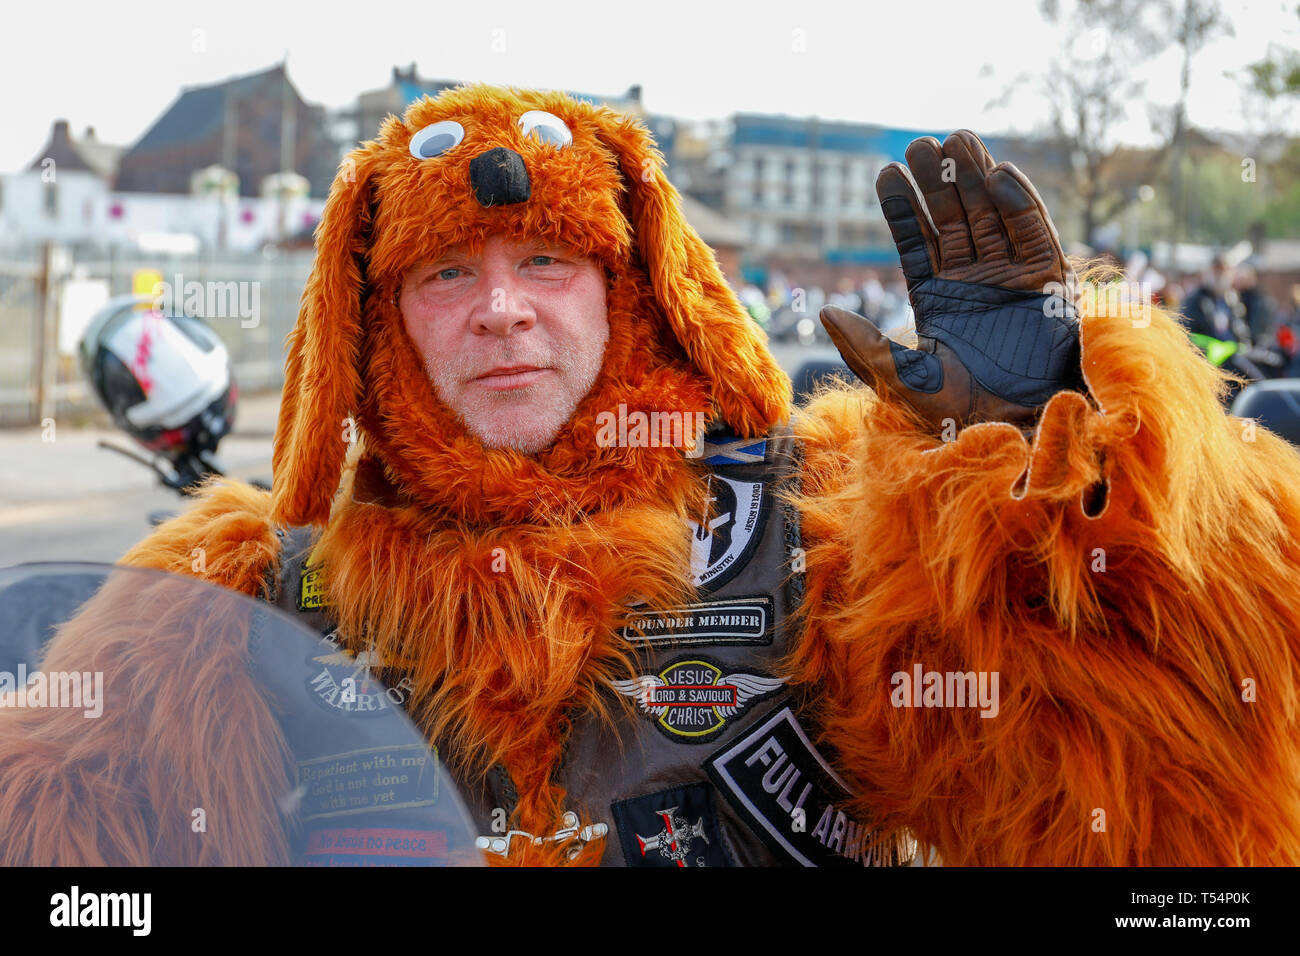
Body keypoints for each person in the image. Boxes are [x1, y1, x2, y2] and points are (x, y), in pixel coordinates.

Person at [2, 84, 1299, 866]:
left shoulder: (826, 539)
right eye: (446, 272)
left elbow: (1167, 788)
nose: (500, 309)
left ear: (636, 293)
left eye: (548, 262)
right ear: (370, 319)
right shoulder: (233, 605)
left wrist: (1034, 482)